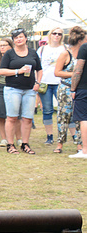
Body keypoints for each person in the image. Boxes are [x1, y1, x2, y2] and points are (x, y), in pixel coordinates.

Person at [0, 28, 42, 155]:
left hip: (29, 89)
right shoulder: (9, 54)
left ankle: (25, 144)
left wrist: (38, 82)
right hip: (13, 89)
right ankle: (10, 144)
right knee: (12, 117)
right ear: (13, 41)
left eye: (21, 37)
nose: (19, 39)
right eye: (16, 38)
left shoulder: (33, 53)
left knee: (27, 118)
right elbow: (1, 71)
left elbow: (39, 69)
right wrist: (18, 71)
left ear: (26, 38)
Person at [54, 26, 84, 154]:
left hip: (80, 89)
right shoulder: (66, 53)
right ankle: (60, 143)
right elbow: (57, 72)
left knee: (80, 118)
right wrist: (75, 74)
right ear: (79, 41)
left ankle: (80, 144)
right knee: (63, 116)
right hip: (65, 88)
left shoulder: (84, 53)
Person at [38, 28, 66, 144]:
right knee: (47, 110)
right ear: (50, 35)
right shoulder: (42, 49)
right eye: (54, 33)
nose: (57, 36)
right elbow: (37, 67)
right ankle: (49, 136)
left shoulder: (65, 48)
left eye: (59, 34)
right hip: (45, 82)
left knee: (65, 110)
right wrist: (37, 81)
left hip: (61, 82)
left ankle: (72, 135)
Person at [68, 27, 87, 159]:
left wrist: (73, 88)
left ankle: (85, 150)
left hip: (84, 88)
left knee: (84, 119)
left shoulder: (84, 48)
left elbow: (78, 70)